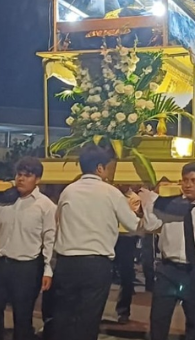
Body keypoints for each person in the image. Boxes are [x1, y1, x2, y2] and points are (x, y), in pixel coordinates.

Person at [52, 145, 140, 340]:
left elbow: (58, 221)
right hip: (95, 264)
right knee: (88, 318)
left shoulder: (68, 191)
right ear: (100, 168)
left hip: (66, 262)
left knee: (64, 315)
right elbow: (133, 225)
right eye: (109, 168)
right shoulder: (111, 192)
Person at [0, 157, 56, 340]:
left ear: (37, 179)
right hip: (0, 264)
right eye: (19, 174)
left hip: (27, 268)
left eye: (27, 175)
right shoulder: (5, 200)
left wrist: (48, 270)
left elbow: (50, 239)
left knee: (23, 316)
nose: (21, 179)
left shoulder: (46, 206)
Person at [140, 162, 195, 340]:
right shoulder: (169, 206)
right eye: (185, 180)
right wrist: (148, 202)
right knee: (159, 320)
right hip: (168, 270)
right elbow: (150, 225)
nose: (188, 185)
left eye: (194, 180)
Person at [113, 189, 143, 324]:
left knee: (126, 274)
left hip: (126, 239)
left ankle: (123, 311)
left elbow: (134, 218)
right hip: (110, 236)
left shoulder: (134, 198)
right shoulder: (110, 193)